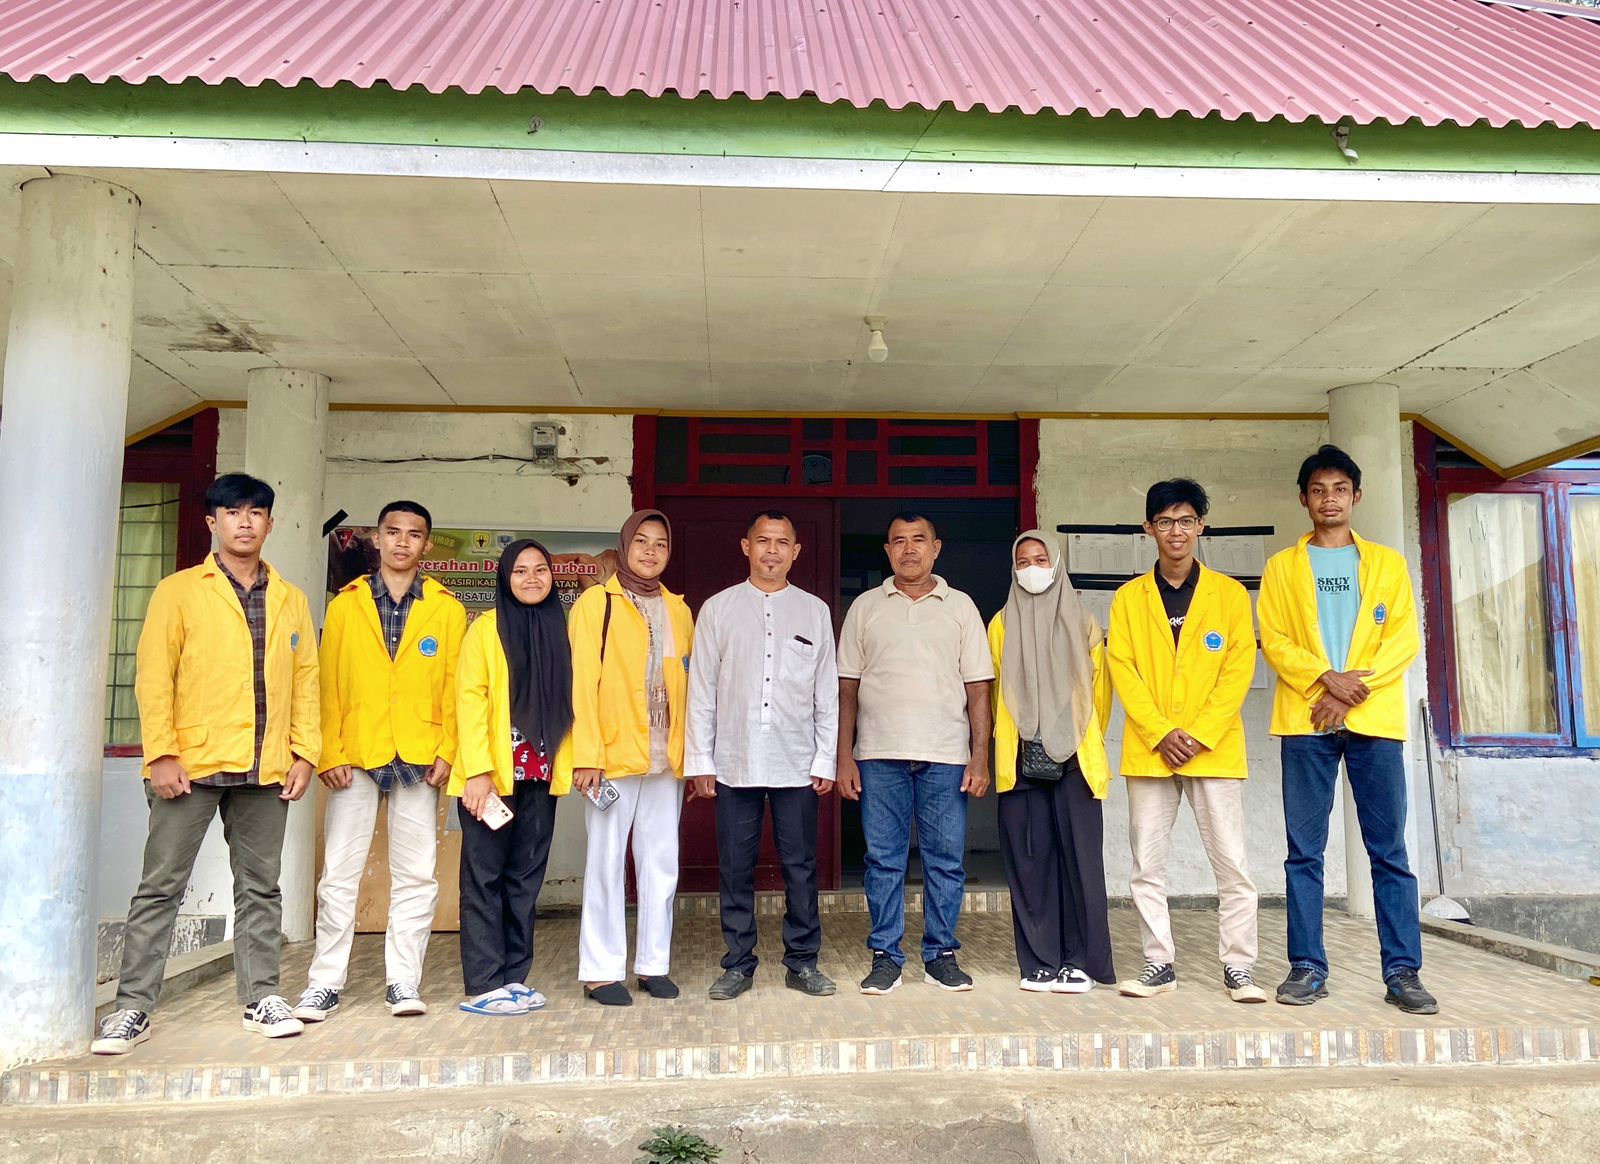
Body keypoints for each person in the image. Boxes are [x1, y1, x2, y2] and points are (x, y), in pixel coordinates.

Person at [92, 474, 319, 1053]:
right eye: (233, 512)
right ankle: (132, 1007)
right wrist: (162, 753)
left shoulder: (290, 598)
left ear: (270, 523)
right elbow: (153, 676)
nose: (245, 522)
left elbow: (306, 682)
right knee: (161, 886)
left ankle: (262, 996)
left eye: (256, 513)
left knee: (261, 888)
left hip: (265, 768)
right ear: (212, 522)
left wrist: (304, 753)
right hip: (189, 767)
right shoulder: (179, 591)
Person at [1258, 444, 1435, 1014]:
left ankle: (1403, 972)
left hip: (1372, 720)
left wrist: (1348, 692)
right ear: (1303, 499)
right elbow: (1274, 638)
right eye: (1318, 490)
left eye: (1339, 489)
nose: (1329, 499)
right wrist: (1324, 680)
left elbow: (1402, 639)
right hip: (1306, 720)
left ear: (1356, 496)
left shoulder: (1386, 563)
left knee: (1389, 851)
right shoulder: (1282, 568)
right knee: (1303, 853)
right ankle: (1307, 967)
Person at [292, 501, 466, 1023]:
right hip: (355, 754)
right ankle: (324, 983)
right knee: (339, 875)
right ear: (377, 538)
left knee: (417, 875)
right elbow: (326, 684)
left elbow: (457, 688)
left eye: (414, 534)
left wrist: (448, 750)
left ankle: (403, 981)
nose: (402, 542)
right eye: (393, 532)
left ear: (427, 544)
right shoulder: (346, 605)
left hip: (419, 753)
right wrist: (329, 751)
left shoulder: (447, 608)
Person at [1107, 480, 1264, 1003]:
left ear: (1201, 527)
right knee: (1146, 867)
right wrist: (1161, 732)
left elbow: (1237, 671)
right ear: (1148, 529)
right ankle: (1158, 963)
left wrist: (1196, 734)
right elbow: (1123, 670)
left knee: (1232, 866)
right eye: (1165, 521)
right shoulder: (1129, 599)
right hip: (1151, 751)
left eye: (1186, 520)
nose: (1176, 531)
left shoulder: (1230, 595)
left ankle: (1239, 967)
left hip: (1212, 749)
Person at [837, 512, 994, 995]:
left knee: (944, 860)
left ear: (936, 547)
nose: (909, 549)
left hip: (945, 754)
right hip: (878, 753)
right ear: (887, 551)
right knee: (883, 860)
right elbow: (847, 688)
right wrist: (843, 756)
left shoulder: (961, 607)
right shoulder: (865, 607)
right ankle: (886, 955)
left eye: (918, 540)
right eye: (899, 541)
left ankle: (940, 954)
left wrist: (979, 756)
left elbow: (979, 689)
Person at [686, 511, 840, 1000]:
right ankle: (738, 963)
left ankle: (803, 962)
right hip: (735, 759)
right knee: (735, 866)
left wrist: (825, 758)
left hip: (797, 761)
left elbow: (826, 691)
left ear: (796, 551)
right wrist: (700, 761)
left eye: (781, 542)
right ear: (745, 546)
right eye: (763, 541)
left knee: (801, 866)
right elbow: (701, 689)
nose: (772, 550)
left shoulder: (814, 611)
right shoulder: (718, 609)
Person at [569, 510, 695, 1006]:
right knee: (605, 863)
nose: (650, 551)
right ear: (624, 546)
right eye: (641, 541)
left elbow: (689, 684)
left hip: (666, 757)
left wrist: (691, 756)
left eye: (660, 544)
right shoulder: (596, 604)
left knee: (661, 862)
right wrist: (586, 754)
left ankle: (652, 965)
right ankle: (601, 972)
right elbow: (581, 684)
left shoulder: (678, 609)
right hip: (611, 757)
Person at [450, 539, 576, 1015]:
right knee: (484, 877)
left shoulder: (560, 629)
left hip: (541, 774)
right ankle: (484, 983)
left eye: (540, 569)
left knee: (525, 878)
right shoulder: (485, 629)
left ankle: (514, 978)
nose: (531, 578)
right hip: (493, 777)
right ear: (505, 577)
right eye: (520, 570)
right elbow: (470, 700)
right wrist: (478, 772)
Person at [988, 530, 1116, 994]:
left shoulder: (1084, 622)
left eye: (1041, 559)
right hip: (1021, 755)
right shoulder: (1001, 624)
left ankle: (1080, 962)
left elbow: (1100, 694)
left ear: (1057, 564)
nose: (1032, 569)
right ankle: (1040, 960)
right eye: (1023, 561)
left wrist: (1069, 736)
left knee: (1079, 861)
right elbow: (996, 687)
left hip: (1076, 757)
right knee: (1029, 861)